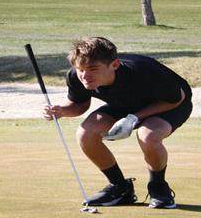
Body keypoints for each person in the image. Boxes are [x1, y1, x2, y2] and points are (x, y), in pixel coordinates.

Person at [40, 36, 191, 209]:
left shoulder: (143, 70)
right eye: (80, 68)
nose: (85, 75)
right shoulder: (76, 76)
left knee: (147, 136)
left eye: (93, 69)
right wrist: (61, 111)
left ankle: (158, 187)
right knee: (85, 133)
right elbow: (80, 105)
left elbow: (176, 99)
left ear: (115, 65)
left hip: (168, 104)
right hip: (123, 104)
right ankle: (120, 188)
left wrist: (134, 118)